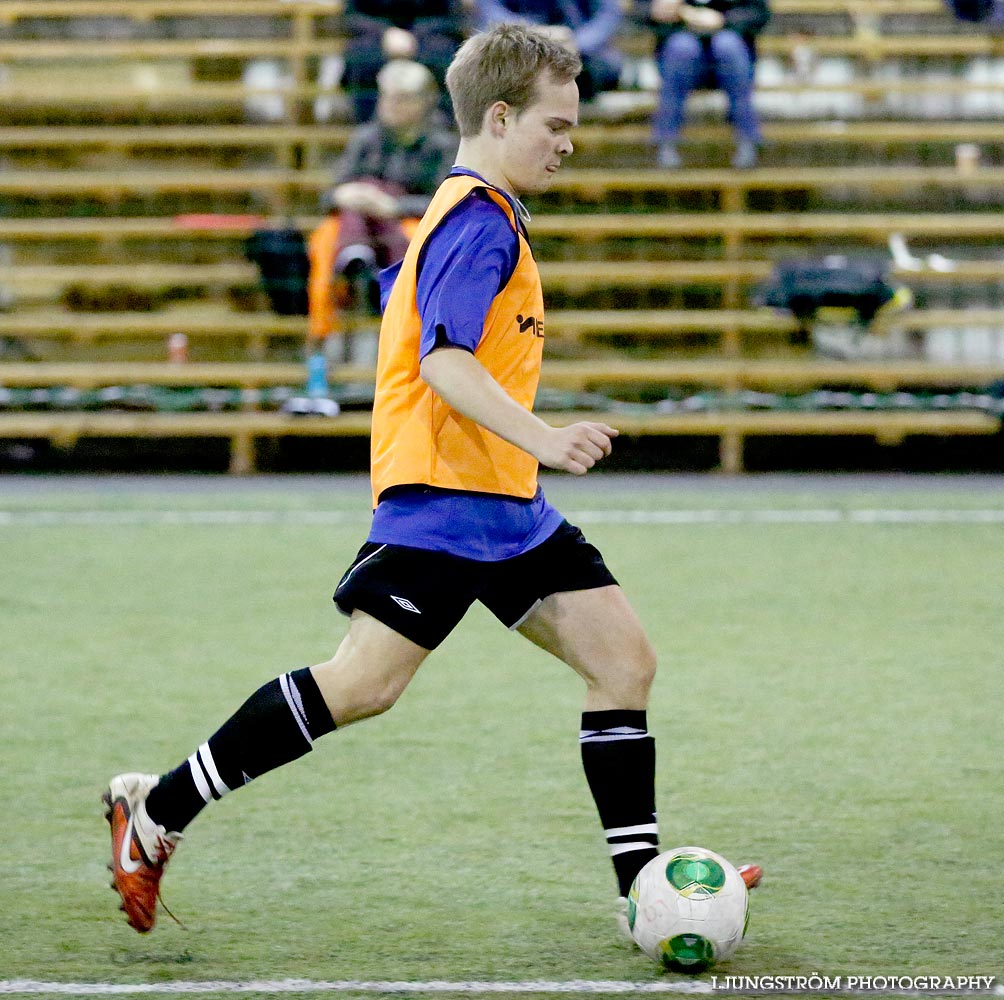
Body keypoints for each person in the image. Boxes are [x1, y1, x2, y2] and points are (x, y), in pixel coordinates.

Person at [103, 22, 760, 940]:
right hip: (447, 503)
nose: (567, 143)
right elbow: (446, 363)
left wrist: (526, 454)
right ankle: (158, 811)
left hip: (508, 509)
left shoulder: (471, 214)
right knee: (362, 686)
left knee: (624, 662)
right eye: (555, 125)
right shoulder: (478, 220)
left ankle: (642, 890)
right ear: (499, 116)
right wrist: (549, 437)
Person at [303, 60, 457, 400]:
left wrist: (393, 206)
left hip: (408, 219)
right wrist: (347, 194)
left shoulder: (443, 143)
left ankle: (408, 325)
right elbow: (334, 190)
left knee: (413, 235)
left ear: (423, 102)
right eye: (386, 97)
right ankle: (325, 329)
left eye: (401, 98)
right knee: (326, 239)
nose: (390, 105)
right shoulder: (365, 138)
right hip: (356, 221)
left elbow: (446, 199)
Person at [640, 0, 771, 169]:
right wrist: (656, 11)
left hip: (729, 50)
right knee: (681, 47)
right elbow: (639, 10)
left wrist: (723, 20)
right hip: (681, 48)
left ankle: (748, 140)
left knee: (728, 45)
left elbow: (759, 13)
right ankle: (665, 142)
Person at [340, 0, 467, 123]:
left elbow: (452, 17)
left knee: (445, 54)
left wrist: (415, 36)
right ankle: (368, 124)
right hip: (376, 37)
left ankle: (440, 124)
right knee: (360, 56)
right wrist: (385, 33)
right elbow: (351, 15)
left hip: (428, 37)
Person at [473, 0, 624, 102]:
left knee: (607, 67)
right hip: (520, 50)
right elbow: (489, 10)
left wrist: (576, 42)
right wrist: (534, 34)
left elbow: (608, 14)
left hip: (582, 55)